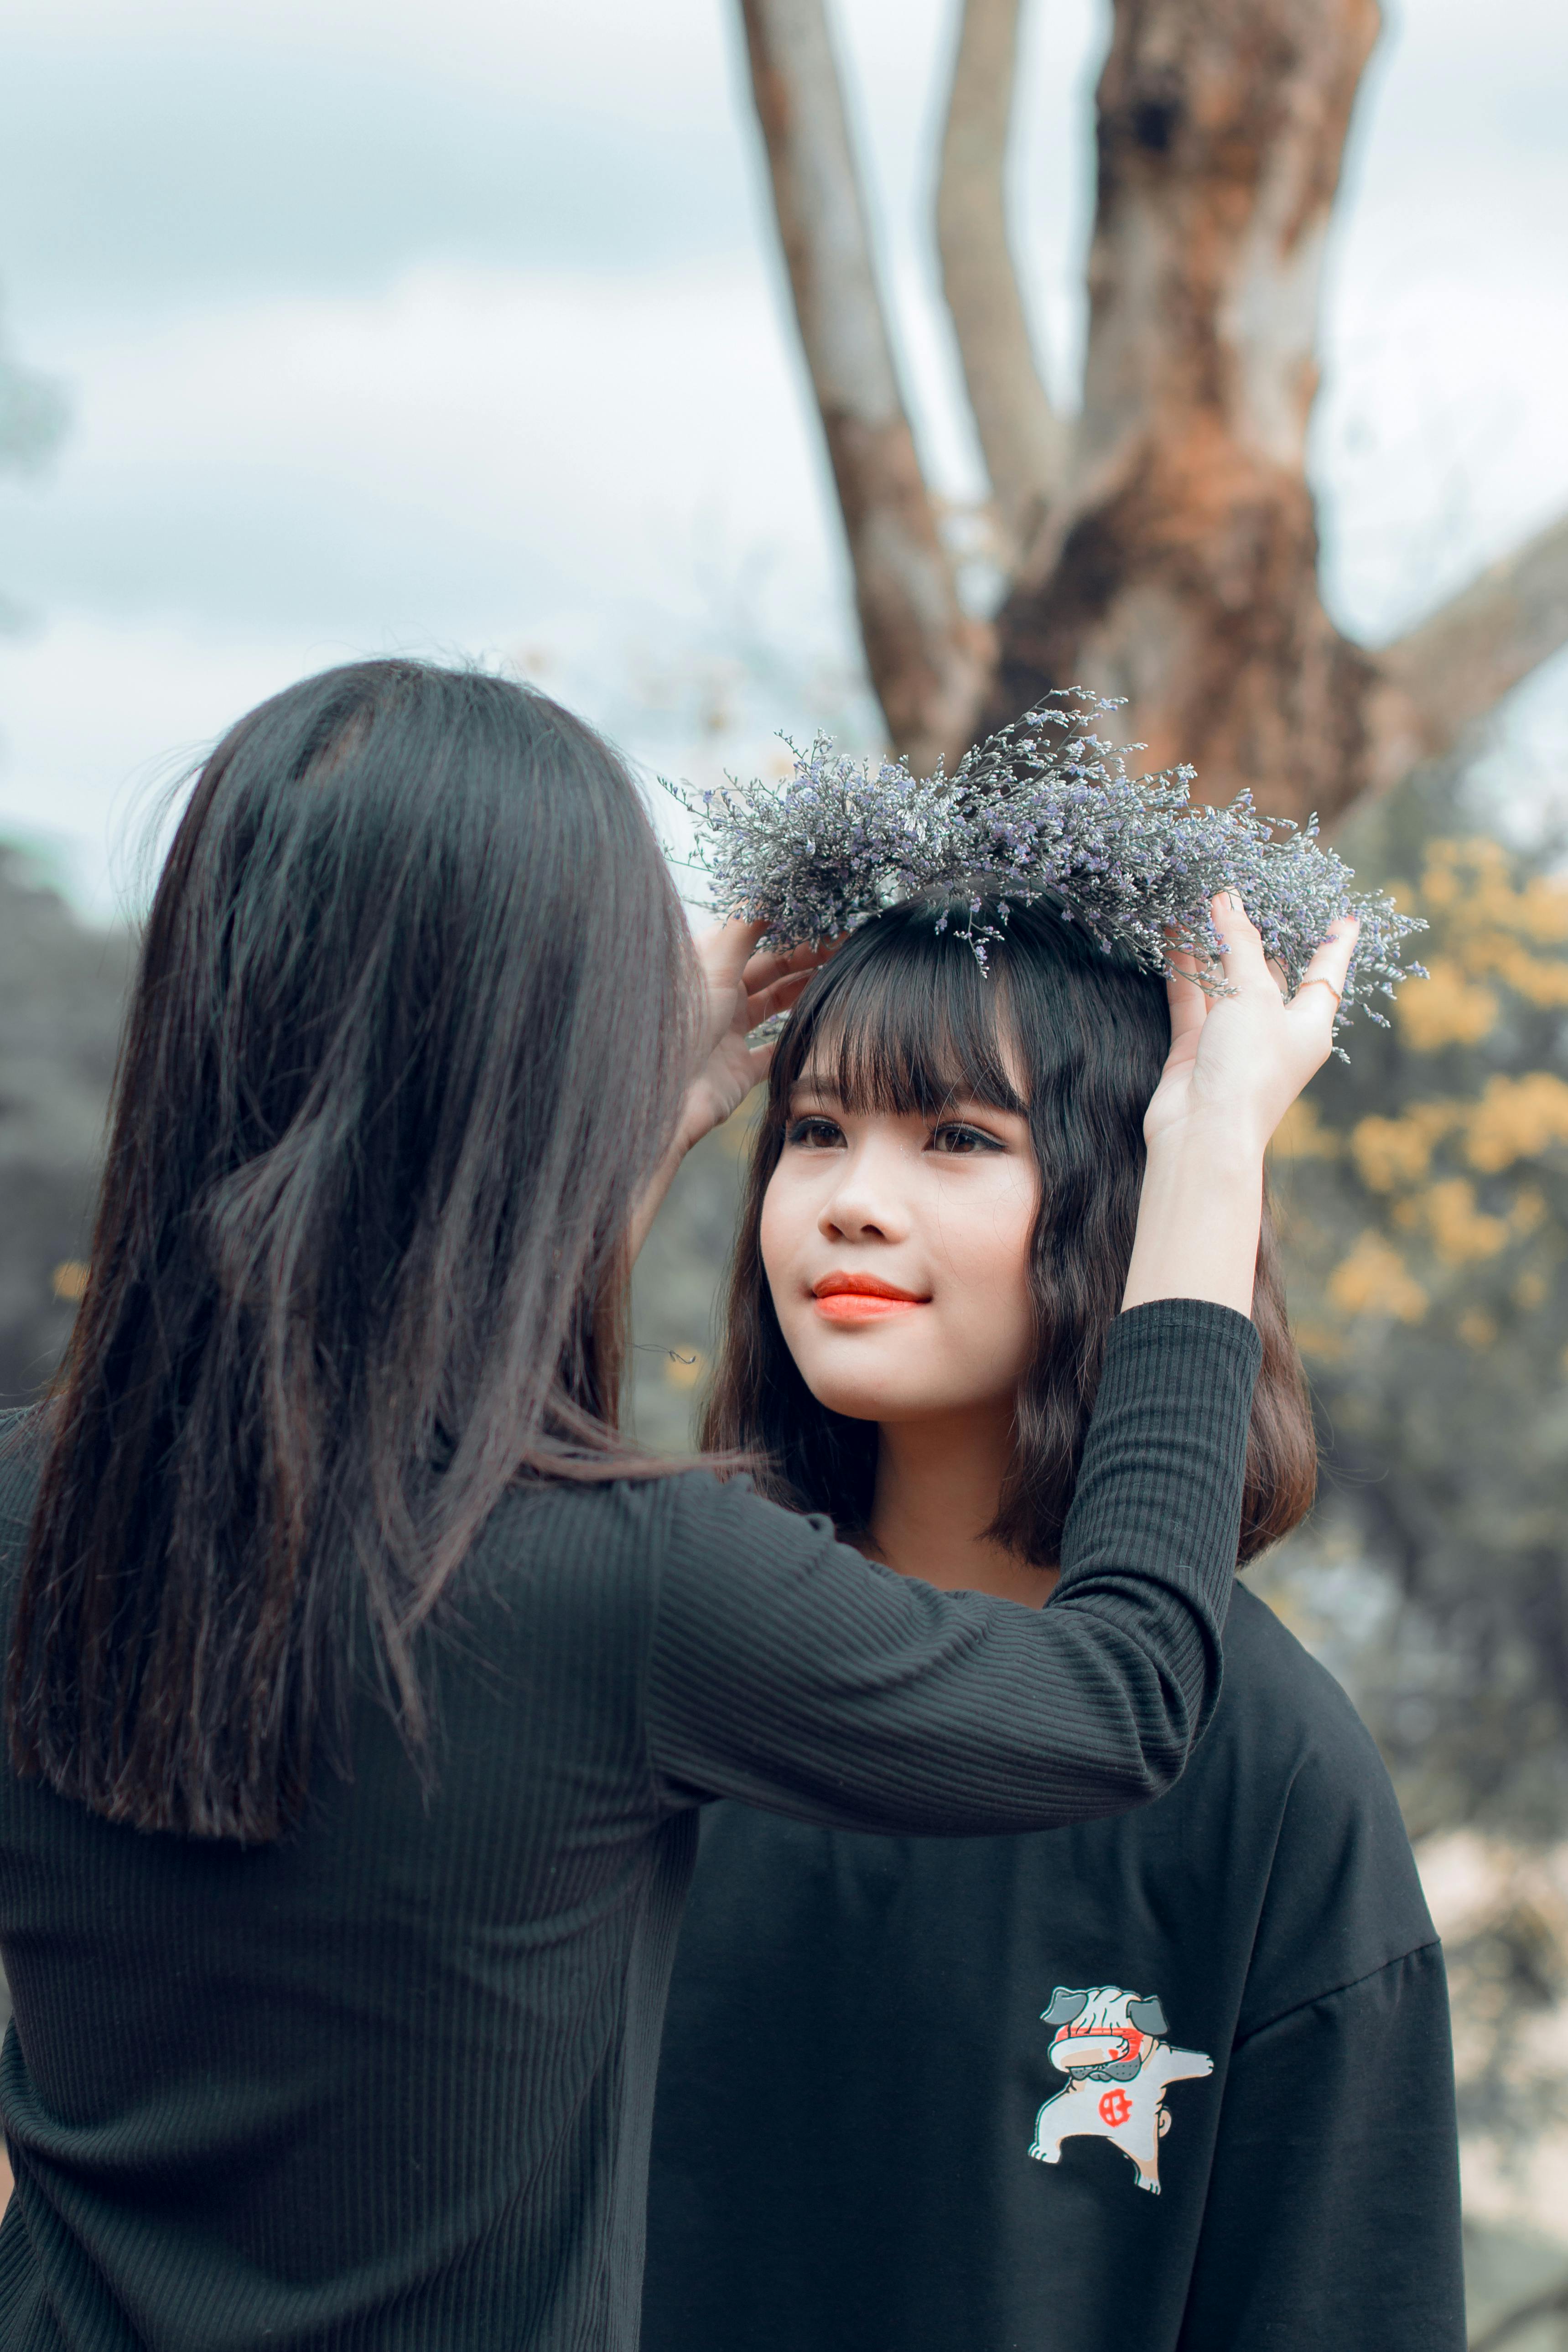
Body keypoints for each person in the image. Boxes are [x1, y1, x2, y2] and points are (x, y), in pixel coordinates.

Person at [0, 660, 1354, 2352]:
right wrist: (1208, 1163)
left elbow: (435, 1418)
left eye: (952, 1137)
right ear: (538, 1059)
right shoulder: (624, 1589)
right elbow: (1121, 1700)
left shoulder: (36, 1513)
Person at [641, 893, 1465, 2352]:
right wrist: (627, 1125)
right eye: (816, 1128)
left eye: (958, 1137)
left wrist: (1216, 1152)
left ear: (1126, 1192)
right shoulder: (673, 1648)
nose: (851, 1198)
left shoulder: (1270, 1771)